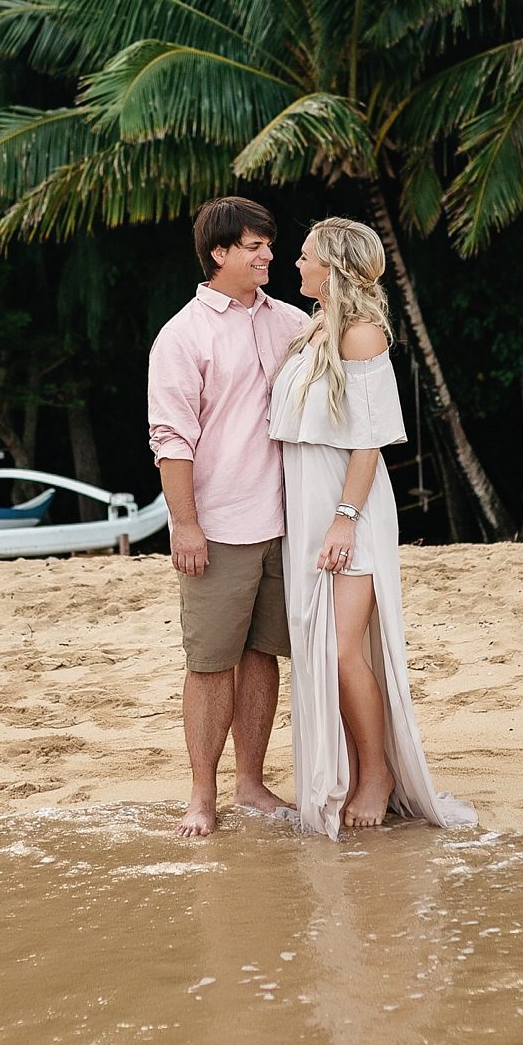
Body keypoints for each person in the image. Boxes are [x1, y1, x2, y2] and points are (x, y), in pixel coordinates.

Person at [271, 217, 474, 838]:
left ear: (330, 268)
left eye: (304, 257)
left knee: (342, 649)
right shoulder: (313, 332)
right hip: (309, 510)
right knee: (326, 647)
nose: (295, 265)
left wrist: (344, 519)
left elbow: (369, 442)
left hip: (346, 511)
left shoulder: (362, 336)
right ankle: (357, 768)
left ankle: (377, 774)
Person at [147, 196, 313, 838]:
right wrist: (185, 525)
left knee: (264, 655)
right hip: (216, 525)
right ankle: (201, 795)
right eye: (254, 245)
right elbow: (172, 440)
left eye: (270, 244)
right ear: (219, 253)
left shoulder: (293, 323)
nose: (268, 254)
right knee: (211, 661)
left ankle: (250, 782)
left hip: (285, 522)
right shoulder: (182, 335)